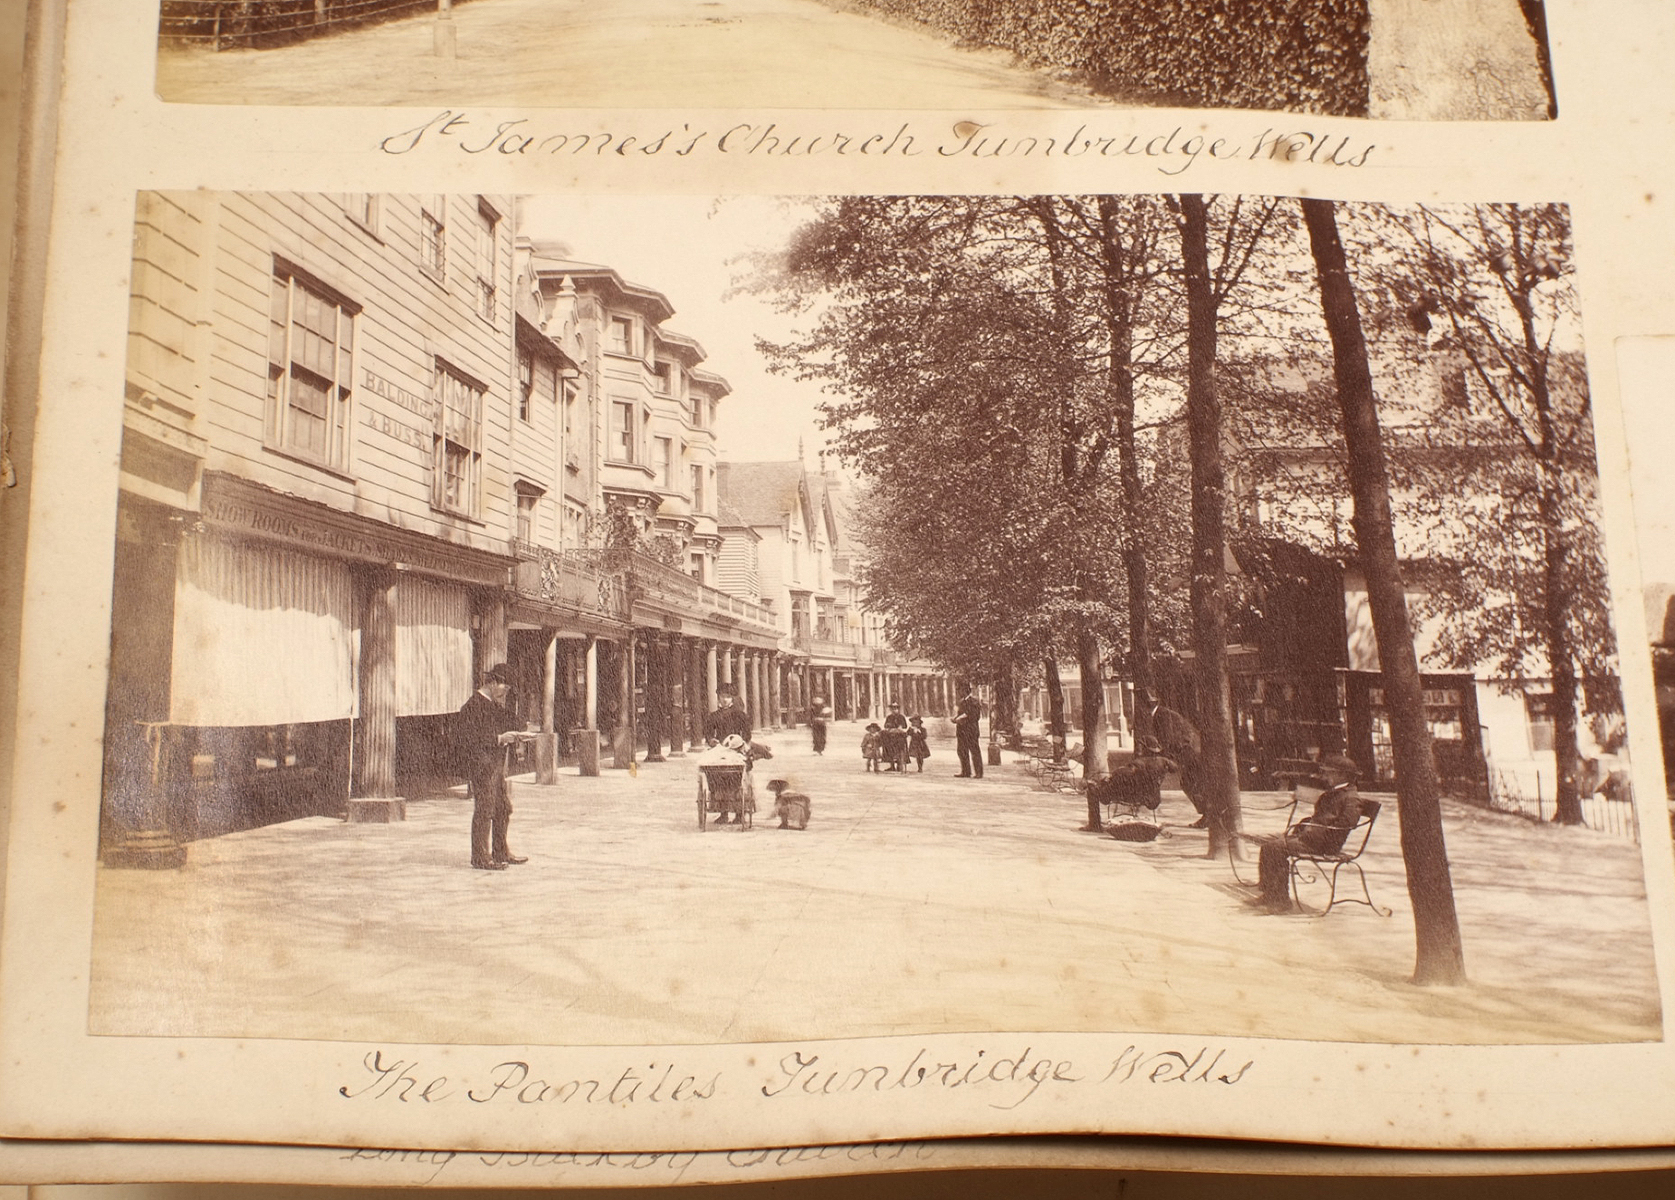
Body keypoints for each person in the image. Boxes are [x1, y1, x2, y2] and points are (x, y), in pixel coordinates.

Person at [1254, 754, 1365, 912]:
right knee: (1269, 847)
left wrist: (1317, 833)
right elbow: (1319, 816)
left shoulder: (1351, 798)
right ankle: (1269, 894)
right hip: (1312, 839)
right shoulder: (1334, 792)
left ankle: (1281, 900)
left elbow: (1347, 823)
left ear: (1342, 775)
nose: (1325, 776)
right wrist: (1306, 828)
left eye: (1329, 772)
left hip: (1325, 844)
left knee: (1275, 848)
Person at [454, 663, 528, 870]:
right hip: (481, 766)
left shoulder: (494, 705)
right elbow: (468, 738)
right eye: (504, 687)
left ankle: (500, 851)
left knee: (503, 808)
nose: (505, 692)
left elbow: (513, 722)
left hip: (495, 766)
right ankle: (480, 857)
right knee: (484, 810)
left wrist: (518, 731)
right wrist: (498, 738)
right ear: (493, 682)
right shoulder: (473, 706)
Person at [1143, 689, 1203, 827]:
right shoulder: (1161, 713)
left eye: (1143, 704)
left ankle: (1208, 815)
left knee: (1190, 783)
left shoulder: (1161, 715)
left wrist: (1163, 759)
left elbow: (1167, 739)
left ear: (1147, 705)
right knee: (1190, 783)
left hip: (1191, 752)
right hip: (1190, 751)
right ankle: (1207, 815)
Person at [703, 689, 753, 823]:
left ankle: (738, 813)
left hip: (736, 749)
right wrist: (711, 740)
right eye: (722, 696)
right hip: (720, 749)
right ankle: (723, 812)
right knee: (716, 775)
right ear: (718, 698)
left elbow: (747, 734)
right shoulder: (713, 716)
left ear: (732, 699)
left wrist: (741, 743)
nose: (725, 699)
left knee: (737, 779)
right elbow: (708, 733)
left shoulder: (740, 715)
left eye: (728, 697)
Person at [954, 688, 983, 778]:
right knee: (962, 751)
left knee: (974, 752)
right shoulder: (961, 702)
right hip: (962, 731)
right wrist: (955, 718)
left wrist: (961, 718)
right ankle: (966, 771)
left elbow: (973, 715)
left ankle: (978, 772)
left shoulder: (974, 701)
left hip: (971, 731)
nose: (959, 692)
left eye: (960, 690)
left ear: (965, 691)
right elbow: (960, 714)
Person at [881, 703, 910, 771]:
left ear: (898, 709)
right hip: (891, 736)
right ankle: (892, 765)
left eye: (896, 708)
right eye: (893, 709)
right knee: (889, 748)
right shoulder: (889, 717)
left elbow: (904, 726)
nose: (894, 710)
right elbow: (886, 726)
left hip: (899, 736)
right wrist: (889, 727)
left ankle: (899, 764)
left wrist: (900, 727)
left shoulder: (901, 717)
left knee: (899, 749)